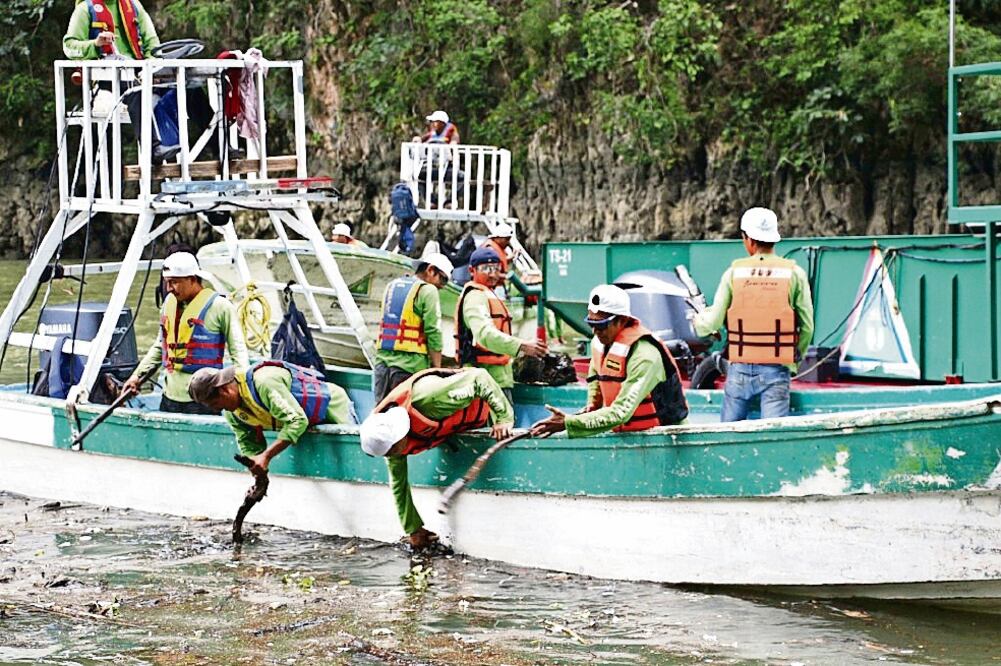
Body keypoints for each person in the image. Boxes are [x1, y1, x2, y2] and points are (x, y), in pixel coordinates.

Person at [359, 367, 514, 549]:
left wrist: (503, 419)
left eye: (391, 453)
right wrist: (413, 529)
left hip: (485, 411)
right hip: (457, 424)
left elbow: (480, 377)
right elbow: (399, 486)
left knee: (500, 418)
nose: (391, 457)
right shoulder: (389, 439)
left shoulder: (429, 400)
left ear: (398, 439)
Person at [693, 207, 814, 421]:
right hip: (777, 371)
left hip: (738, 370)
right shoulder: (794, 273)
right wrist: (794, 359)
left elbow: (712, 322)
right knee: (772, 439)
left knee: (727, 437)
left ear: (748, 239)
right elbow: (807, 327)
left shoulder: (734, 273)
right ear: (774, 239)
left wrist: (697, 322)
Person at [63, 0, 213, 164]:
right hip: (108, 78)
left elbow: (152, 45)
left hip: (141, 73)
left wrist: (153, 67)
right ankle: (154, 149)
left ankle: (221, 147)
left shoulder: (134, 6)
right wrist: (95, 44)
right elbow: (69, 47)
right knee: (136, 91)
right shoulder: (86, 9)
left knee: (191, 89)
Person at [531, 285, 688, 438]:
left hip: (664, 438)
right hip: (626, 436)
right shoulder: (599, 342)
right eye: (591, 324)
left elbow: (621, 412)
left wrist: (568, 422)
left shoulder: (645, 356)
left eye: (601, 325)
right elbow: (595, 385)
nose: (595, 331)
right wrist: (589, 410)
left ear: (622, 320)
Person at [122, 251, 248, 414]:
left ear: (193, 279)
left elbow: (239, 353)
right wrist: (136, 376)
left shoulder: (220, 306)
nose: (169, 288)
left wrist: (244, 393)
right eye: (167, 282)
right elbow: (161, 346)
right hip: (170, 397)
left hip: (205, 399)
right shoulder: (169, 303)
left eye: (174, 282)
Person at [187, 361, 355, 477]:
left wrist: (266, 457)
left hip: (332, 406)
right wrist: (255, 466)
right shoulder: (231, 411)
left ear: (224, 389)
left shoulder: (263, 383)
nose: (217, 409)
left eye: (215, 403)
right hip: (304, 420)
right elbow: (247, 441)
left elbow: (297, 421)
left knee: (355, 452)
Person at [455, 247, 547, 403]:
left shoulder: (489, 293)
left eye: (496, 269)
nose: (492, 274)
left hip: (500, 378)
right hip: (485, 380)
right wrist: (522, 346)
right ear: (472, 270)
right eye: (486, 269)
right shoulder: (475, 297)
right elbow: (484, 334)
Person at [373, 253, 454, 402]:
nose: (442, 286)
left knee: (380, 413)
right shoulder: (428, 290)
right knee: (404, 417)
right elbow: (433, 332)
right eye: (442, 279)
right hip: (410, 367)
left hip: (381, 365)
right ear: (430, 270)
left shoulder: (392, 285)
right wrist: (436, 368)